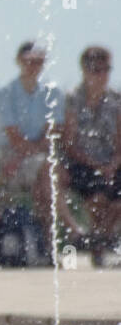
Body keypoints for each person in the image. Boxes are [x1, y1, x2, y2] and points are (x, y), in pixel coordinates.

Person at [0, 40, 63, 256]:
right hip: (14, 155)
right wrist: (35, 152)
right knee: (47, 178)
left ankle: (47, 243)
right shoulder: (6, 92)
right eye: (29, 61)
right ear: (19, 62)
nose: (34, 66)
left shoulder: (53, 92)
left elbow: (53, 131)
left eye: (39, 62)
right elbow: (13, 137)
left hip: (41, 158)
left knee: (45, 180)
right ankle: (57, 238)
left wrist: (38, 151)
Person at [61, 46, 121, 265]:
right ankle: (96, 241)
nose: (102, 75)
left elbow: (120, 141)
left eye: (106, 69)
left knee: (116, 203)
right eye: (97, 69)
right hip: (83, 162)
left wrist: (113, 164)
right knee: (97, 198)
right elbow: (69, 143)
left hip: (111, 163)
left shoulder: (116, 100)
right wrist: (95, 164)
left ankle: (101, 239)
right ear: (85, 71)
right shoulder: (73, 99)